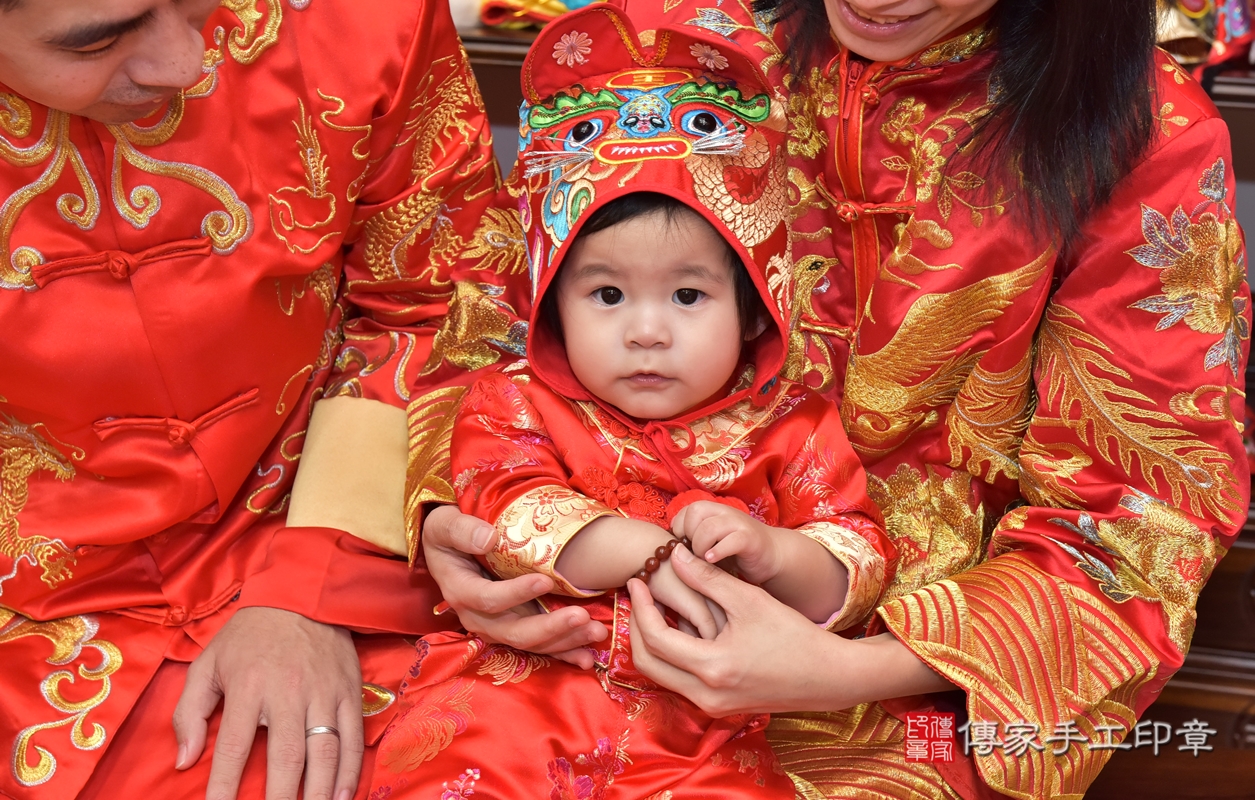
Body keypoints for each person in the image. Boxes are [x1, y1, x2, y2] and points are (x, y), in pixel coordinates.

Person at [414, 0, 1251, 797]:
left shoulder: (1144, 131)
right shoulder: (672, 45)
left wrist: (847, 671)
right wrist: (443, 523)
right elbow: (486, 324)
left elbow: (1136, 523)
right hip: (569, 619)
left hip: (908, 674)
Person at [0, 1, 510, 798]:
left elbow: (440, 300)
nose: (183, 64)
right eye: (98, 40)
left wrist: (314, 582)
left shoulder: (367, 18)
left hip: (350, 527)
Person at [372, 20, 894, 794]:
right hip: (524, 685)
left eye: (688, 295)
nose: (646, 331)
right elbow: (509, 508)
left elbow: (855, 551)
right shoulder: (515, 398)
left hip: (721, 714)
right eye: (606, 294)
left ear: (755, 312)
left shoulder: (793, 424)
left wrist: (773, 553)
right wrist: (650, 552)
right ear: (550, 302)